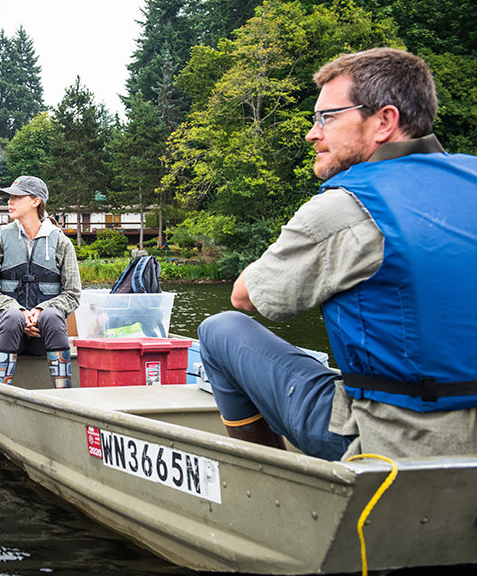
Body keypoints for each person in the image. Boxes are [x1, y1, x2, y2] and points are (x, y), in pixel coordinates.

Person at [198, 47, 477, 460]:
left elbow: (246, 296)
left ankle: (268, 484)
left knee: (220, 329)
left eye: (327, 117)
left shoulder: (347, 206)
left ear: (384, 121)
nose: (313, 133)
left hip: (391, 442)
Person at [0, 175, 81, 388]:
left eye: (17, 197)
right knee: (13, 316)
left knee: (52, 315)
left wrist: (41, 311)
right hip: (3, 330)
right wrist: (22, 313)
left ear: (36, 201)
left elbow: (72, 294)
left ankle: (65, 395)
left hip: (42, 335)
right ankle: (0, 391)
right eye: (9, 197)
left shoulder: (61, 243)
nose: (9, 202)